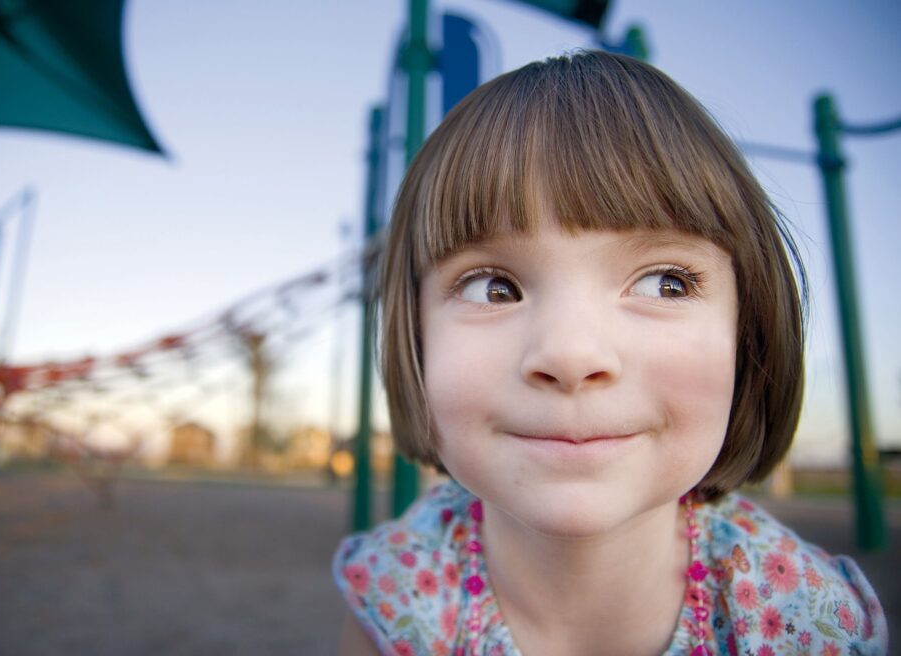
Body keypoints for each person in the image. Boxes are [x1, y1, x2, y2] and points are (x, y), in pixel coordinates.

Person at [333, 51, 888, 656]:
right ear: (413, 338)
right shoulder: (393, 596)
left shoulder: (808, 623)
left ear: (748, 330)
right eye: (493, 287)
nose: (571, 355)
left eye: (665, 283)